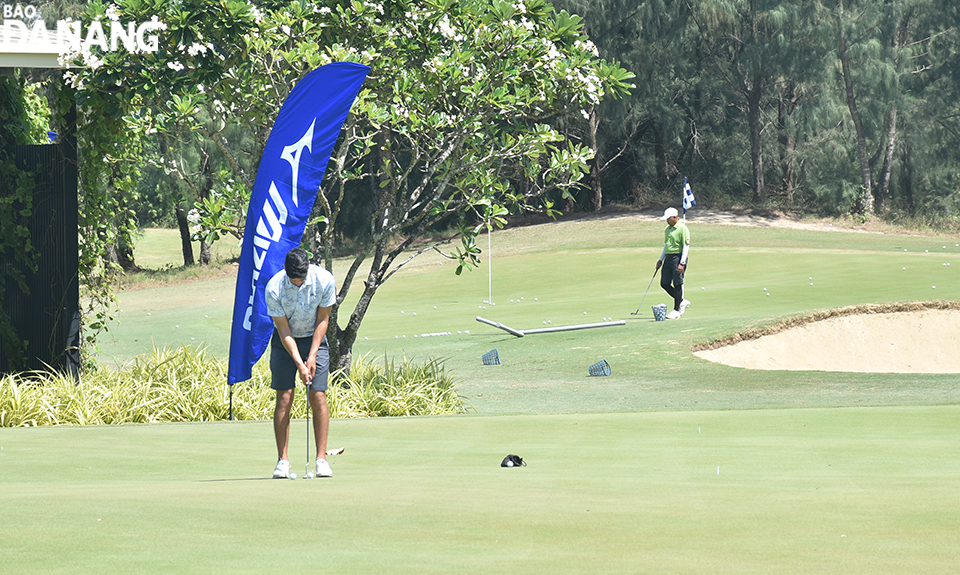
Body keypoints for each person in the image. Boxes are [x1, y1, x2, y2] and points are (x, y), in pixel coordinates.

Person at [264, 248, 337, 478]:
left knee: (318, 395)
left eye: (301, 279)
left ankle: (321, 459)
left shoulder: (324, 280)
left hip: (315, 338)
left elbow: (323, 319)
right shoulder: (274, 288)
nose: (298, 283)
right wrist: (299, 363)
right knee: (284, 397)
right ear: (285, 271)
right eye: (293, 279)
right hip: (285, 343)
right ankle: (282, 461)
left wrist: (312, 355)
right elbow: (283, 328)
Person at [655, 207, 691, 319]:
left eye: (668, 218)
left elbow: (686, 246)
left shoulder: (682, 228)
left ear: (675, 217)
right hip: (668, 258)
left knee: (677, 283)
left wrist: (682, 263)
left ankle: (676, 310)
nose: (666, 221)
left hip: (678, 257)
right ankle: (682, 301)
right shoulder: (668, 228)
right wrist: (661, 259)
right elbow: (666, 245)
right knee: (664, 283)